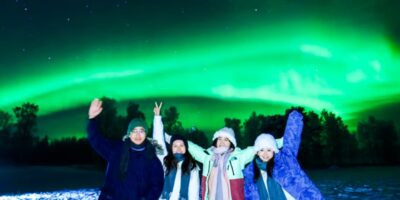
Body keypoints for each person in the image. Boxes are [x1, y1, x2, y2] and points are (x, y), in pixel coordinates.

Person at [87, 98, 164, 200]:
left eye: (141, 131)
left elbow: (157, 185)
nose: (138, 134)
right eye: (134, 130)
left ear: (146, 134)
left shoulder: (152, 159)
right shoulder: (116, 149)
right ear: (129, 133)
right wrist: (92, 119)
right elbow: (96, 140)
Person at [244, 110, 324, 200]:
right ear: (257, 152)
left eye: (269, 150)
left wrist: (294, 119)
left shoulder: (285, 161)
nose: (265, 154)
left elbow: (291, 140)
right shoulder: (250, 172)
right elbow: (249, 195)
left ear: (274, 151)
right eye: (261, 150)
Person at [153, 102, 200, 200]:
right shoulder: (165, 162)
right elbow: (158, 141)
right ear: (171, 148)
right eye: (175, 146)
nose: (178, 148)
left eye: (181, 145)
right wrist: (157, 118)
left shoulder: (192, 167)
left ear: (186, 148)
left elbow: (194, 192)